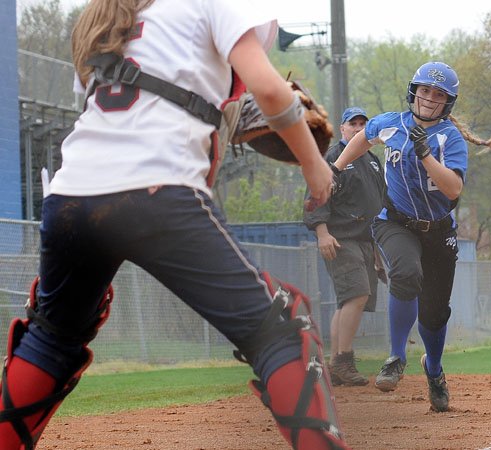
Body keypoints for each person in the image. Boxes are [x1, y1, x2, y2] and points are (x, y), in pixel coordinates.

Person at [0, 1, 350, 449]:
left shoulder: (104, 19)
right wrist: (313, 163)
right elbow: (269, 89)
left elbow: (134, 102)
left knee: (50, 339)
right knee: (281, 331)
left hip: (71, 198)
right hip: (155, 190)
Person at [331, 62, 491, 412]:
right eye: (424, 90)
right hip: (395, 222)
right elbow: (363, 139)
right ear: (414, 92)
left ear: (447, 102)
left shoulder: (449, 138)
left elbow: (453, 189)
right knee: (406, 274)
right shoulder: (391, 123)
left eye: (438, 94)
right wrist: (335, 169)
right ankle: (395, 357)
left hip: (439, 231)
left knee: (435, 314)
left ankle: (434, 370)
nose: (429, 98)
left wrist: (424, 154)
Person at [303, 106, 386, 387]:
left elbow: (377, 209)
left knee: (349, 300)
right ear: (343, 129)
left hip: (365, 240)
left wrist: (378, 255)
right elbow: (315, 194)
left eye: (364, 123)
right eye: (354, 123)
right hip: (340, 236)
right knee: (358, 294)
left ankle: (336, 364)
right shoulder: (333, 158)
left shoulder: (373, 161)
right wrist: (322, 232)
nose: (359, 127)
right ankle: (343, 361)